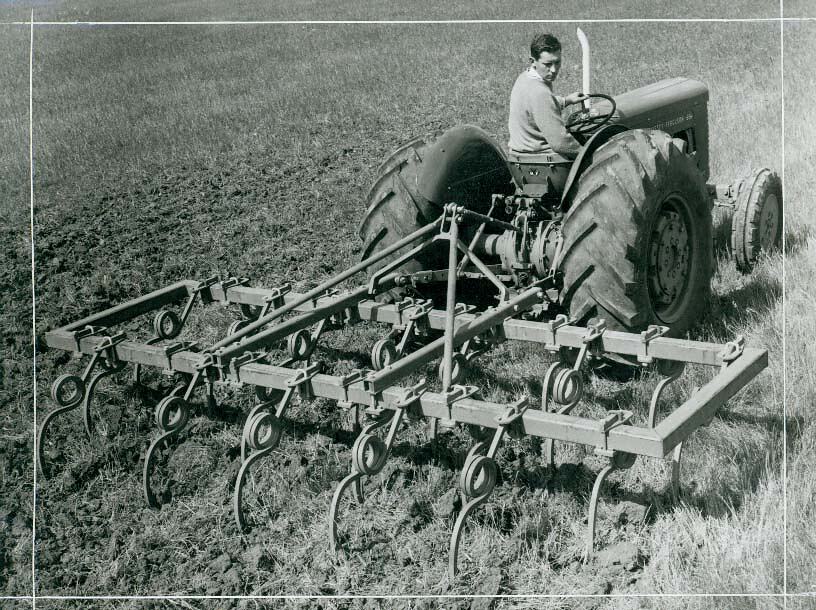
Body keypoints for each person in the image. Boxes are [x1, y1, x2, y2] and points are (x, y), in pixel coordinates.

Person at [508, 33, 587, 158]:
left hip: (520, 154)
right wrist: (590, 153)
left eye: (557, 62)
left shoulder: (525, 78)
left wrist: (567, 100)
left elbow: (537, 107)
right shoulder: (540, 92)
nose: (554, 70)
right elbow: (560, 143)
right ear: (532, 61)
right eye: (548, 64)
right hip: (542, 159)